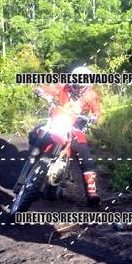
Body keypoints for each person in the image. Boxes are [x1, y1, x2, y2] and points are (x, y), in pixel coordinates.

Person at [29, 66, 102, 206]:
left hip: (75, 127)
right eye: (76, 84)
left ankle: (91, 192)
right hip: (56, 121)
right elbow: (47, 89)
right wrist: (40, 91)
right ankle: (33, 158)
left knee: (84, 154)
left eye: (81, 85)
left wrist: (93, 118)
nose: (78, 88)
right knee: (35, 132)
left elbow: (97, 112)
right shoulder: (63, 86)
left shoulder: (91, 95)